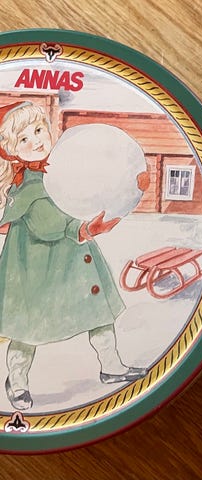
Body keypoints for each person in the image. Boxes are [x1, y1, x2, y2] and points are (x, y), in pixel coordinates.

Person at [0, 101, 148, 411]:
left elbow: (92, 185)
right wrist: (84, 229)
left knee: (99, 313)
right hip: (38, 269)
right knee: (28, 329)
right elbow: (46, 224)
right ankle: (18, 380)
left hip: (75, 263)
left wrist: (124, 186)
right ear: (11, 149)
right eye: (23, 139)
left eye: (38, 130)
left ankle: (112, 365)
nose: (35, 141)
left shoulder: (64, 166)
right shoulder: (28, 187)